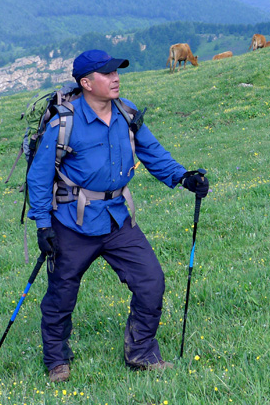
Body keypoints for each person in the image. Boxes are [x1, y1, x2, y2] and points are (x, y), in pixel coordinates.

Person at [26, 49, 209, 383]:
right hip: (71, 223)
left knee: (151, 281)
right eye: (107, 74)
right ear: (86, 83)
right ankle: (56, 360)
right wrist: (43, 224)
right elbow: (39, 176)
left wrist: (183, 177)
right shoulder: (63, 122)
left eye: (116, 72)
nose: (115, 78)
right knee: (61, 295)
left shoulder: (127, 113)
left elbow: (152, 152)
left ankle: (141, 352)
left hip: (117, 219)